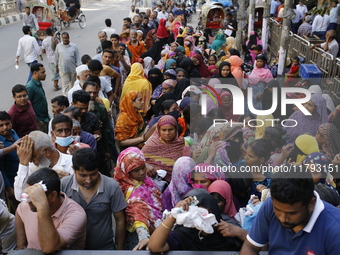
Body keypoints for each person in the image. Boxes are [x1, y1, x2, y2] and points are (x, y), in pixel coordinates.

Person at [240, 170, 340, 254]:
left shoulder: (335, 229)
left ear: (311, 203)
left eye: (292, 213)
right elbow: (251, 247)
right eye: (278, 210)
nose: (283, 218)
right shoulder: (269, 206)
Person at [61, 148, 126, 250]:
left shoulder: (112, 186)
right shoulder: (64, 185)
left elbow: (120, 219)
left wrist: (120, 250)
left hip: (103, 248)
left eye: (93, 174)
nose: (88, 180)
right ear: (74, 169)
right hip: (72, 249)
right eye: (83, 175)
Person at [15, 168, 87, 252]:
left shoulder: (76, 215)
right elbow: (19, 212)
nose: (28, 200)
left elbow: (49, 247)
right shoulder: (26, 206)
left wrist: (42, 206)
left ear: (52, 196)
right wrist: (21, 246)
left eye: (35, 196)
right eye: (29, 194)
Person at [148, 189, 243, 252]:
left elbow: (254, 245)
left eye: (206, 212)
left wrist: (240, 233)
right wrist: (174, 214)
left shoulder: (227, 232)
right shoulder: (185, 234)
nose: (202, 218)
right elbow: (155, 246)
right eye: (196, 213)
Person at [114, 147, 162, 250]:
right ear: (126, 172)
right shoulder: (133, 191)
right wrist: (143, 236)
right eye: (136, 170)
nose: (141, 172)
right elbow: (137, 212)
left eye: (143, 167)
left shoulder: (146, 181)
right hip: (138, 238)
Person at [14, 131, 73, 201]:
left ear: (46, 151)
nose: (30, 161)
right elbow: (20, 196)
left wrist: (69, 181)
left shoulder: (71, 163)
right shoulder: (31, 165)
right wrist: (23, 163)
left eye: (33, 156)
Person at [141, 115, 190, 182]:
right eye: (163, 130)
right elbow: (139, 159)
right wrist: (146, 165)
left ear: (176, 129)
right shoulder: (152, 144)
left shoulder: (182, 144)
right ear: (159, 130)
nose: (167, 133)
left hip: (177, 182)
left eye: (170, 130)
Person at [0, 112, 21, 213]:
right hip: (11, 181)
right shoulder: (0, 143)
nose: (5, 127)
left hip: (21, 174)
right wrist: (8, 188)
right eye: (1, 125)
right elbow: (1, 167)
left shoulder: (12, 132)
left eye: (7, 124)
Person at [26, 63, 50, 133]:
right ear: (35, 73)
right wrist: (37, 120)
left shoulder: (38, 83)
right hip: (40, 121)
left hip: (45, 118)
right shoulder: (30, 87)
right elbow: (28, 106)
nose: (45, 74)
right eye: (42, 72)